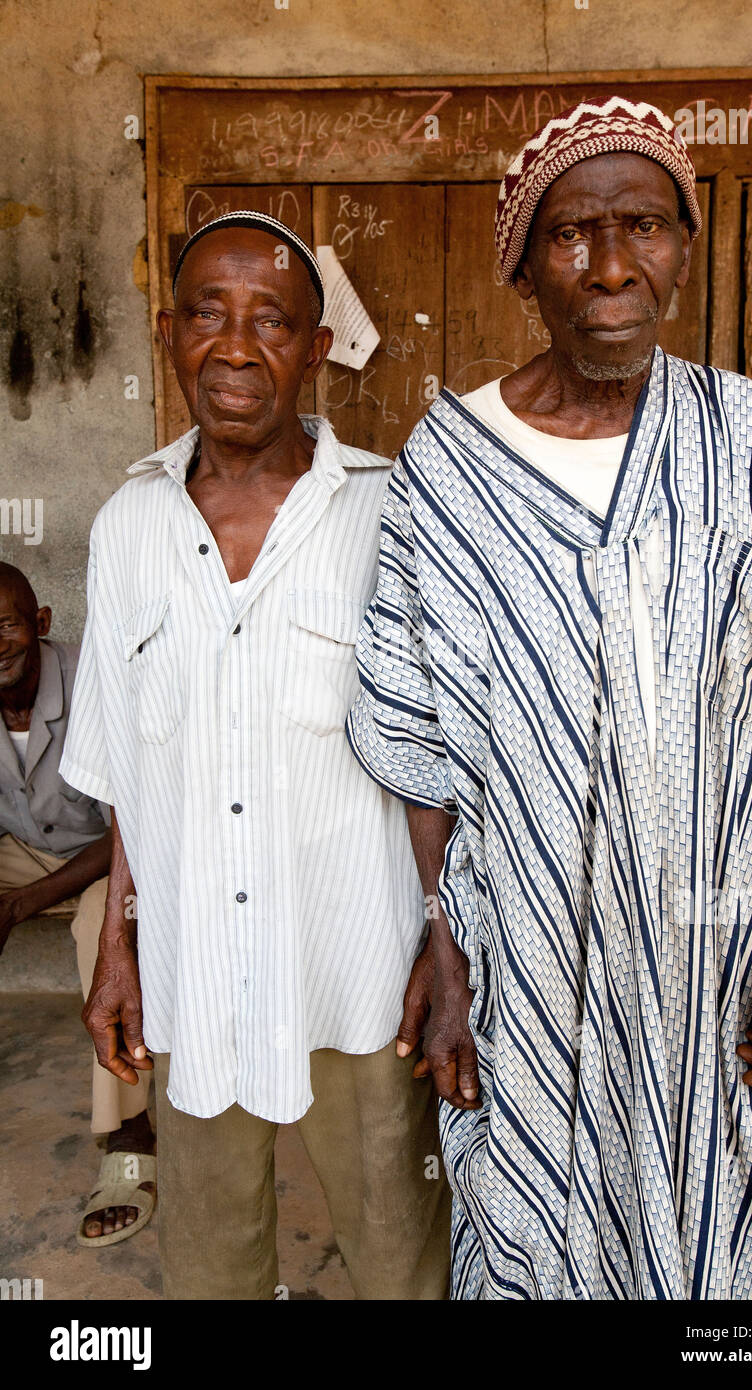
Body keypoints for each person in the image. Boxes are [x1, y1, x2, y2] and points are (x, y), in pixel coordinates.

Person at [346, 97, 752, 1299]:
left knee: (705, 1231)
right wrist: (443, 944)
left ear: (685, 244)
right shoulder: (447, 466)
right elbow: (420, 739)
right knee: (528, 1224)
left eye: (645, 225)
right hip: (522, 947)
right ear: (523, 265)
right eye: (572, 233)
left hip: (709, 956)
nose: (612, 265)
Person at [60, 211, 450, 1300]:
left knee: (397, 1250)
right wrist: (120, 946)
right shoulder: (126, 527)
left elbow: (436, 763)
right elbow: (130, 771)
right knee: (209, 1255)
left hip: (358, 968)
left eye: (270, 318)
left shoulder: (390, 514)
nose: (234, 345)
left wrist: (440, 940)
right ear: (169, 331)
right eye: (207, 314)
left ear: (314, 348)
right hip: (194, 969)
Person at [0, 562, 155, 1245]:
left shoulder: (92, 680)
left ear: (39, 624)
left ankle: (128, 1141)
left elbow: (131, 822)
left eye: (5, 624)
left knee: (102, 927)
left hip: (115, 856)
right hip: (27, 848)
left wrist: (21, 904)